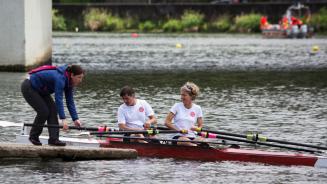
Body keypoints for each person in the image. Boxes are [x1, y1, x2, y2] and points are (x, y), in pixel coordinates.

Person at [21, 64, 84, 146]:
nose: (81, 80)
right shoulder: (60, 79)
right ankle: (33, 136)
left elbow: (70, 101)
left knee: (53, 110)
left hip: (41, 90)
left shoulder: (69, 83)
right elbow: (59, 99)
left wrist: (75, 119)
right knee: (43, 111)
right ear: (72, 75)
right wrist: (63, 119)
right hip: (29, 86)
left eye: (82, 77)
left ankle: (53, 139)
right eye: (79, 77)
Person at [165, 82, 204, 146]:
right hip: (178, 137)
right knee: (185, 141)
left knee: (202, 140)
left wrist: (197, 129)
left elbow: (200, 127)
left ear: (191, 96)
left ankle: (197, 147)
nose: (181, 97)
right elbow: (167, 122)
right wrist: (179, 130)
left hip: (192, 136)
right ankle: (197, 148)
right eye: (181, 95)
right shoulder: (177, 106)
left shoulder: (198, 108)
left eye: (184, 95)